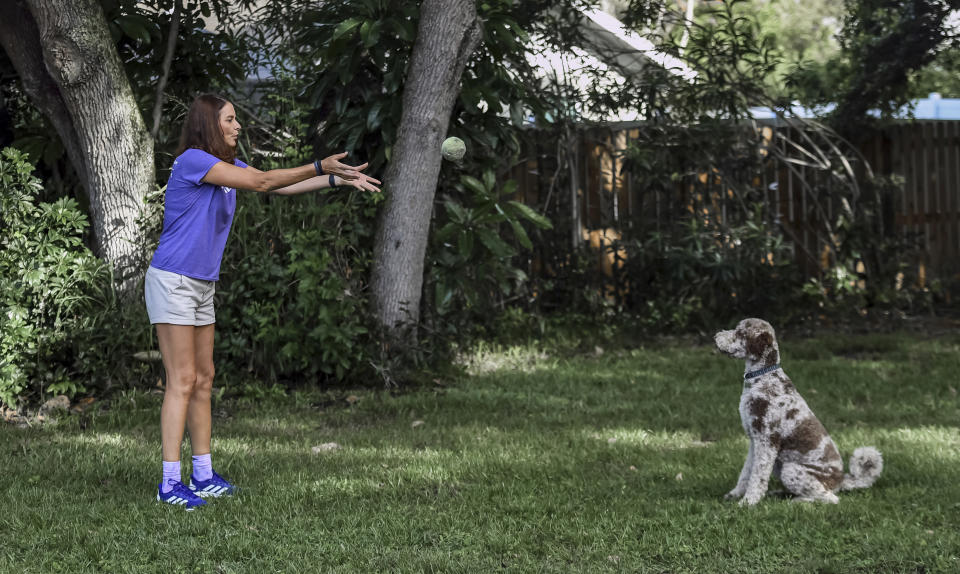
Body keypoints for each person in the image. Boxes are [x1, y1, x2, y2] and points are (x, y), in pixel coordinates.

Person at [146, 93, 380, 510]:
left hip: (201, 284)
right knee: (181, 380)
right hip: (174, 280)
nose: (238, 127)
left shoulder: (227, 168)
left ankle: (201, 474)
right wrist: (318, 164)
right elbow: (264, 182)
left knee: (204, 377)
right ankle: (169, 482)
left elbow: (278, 187)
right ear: (209, 124)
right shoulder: (194, 160)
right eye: (231, 120)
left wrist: (333, 180)